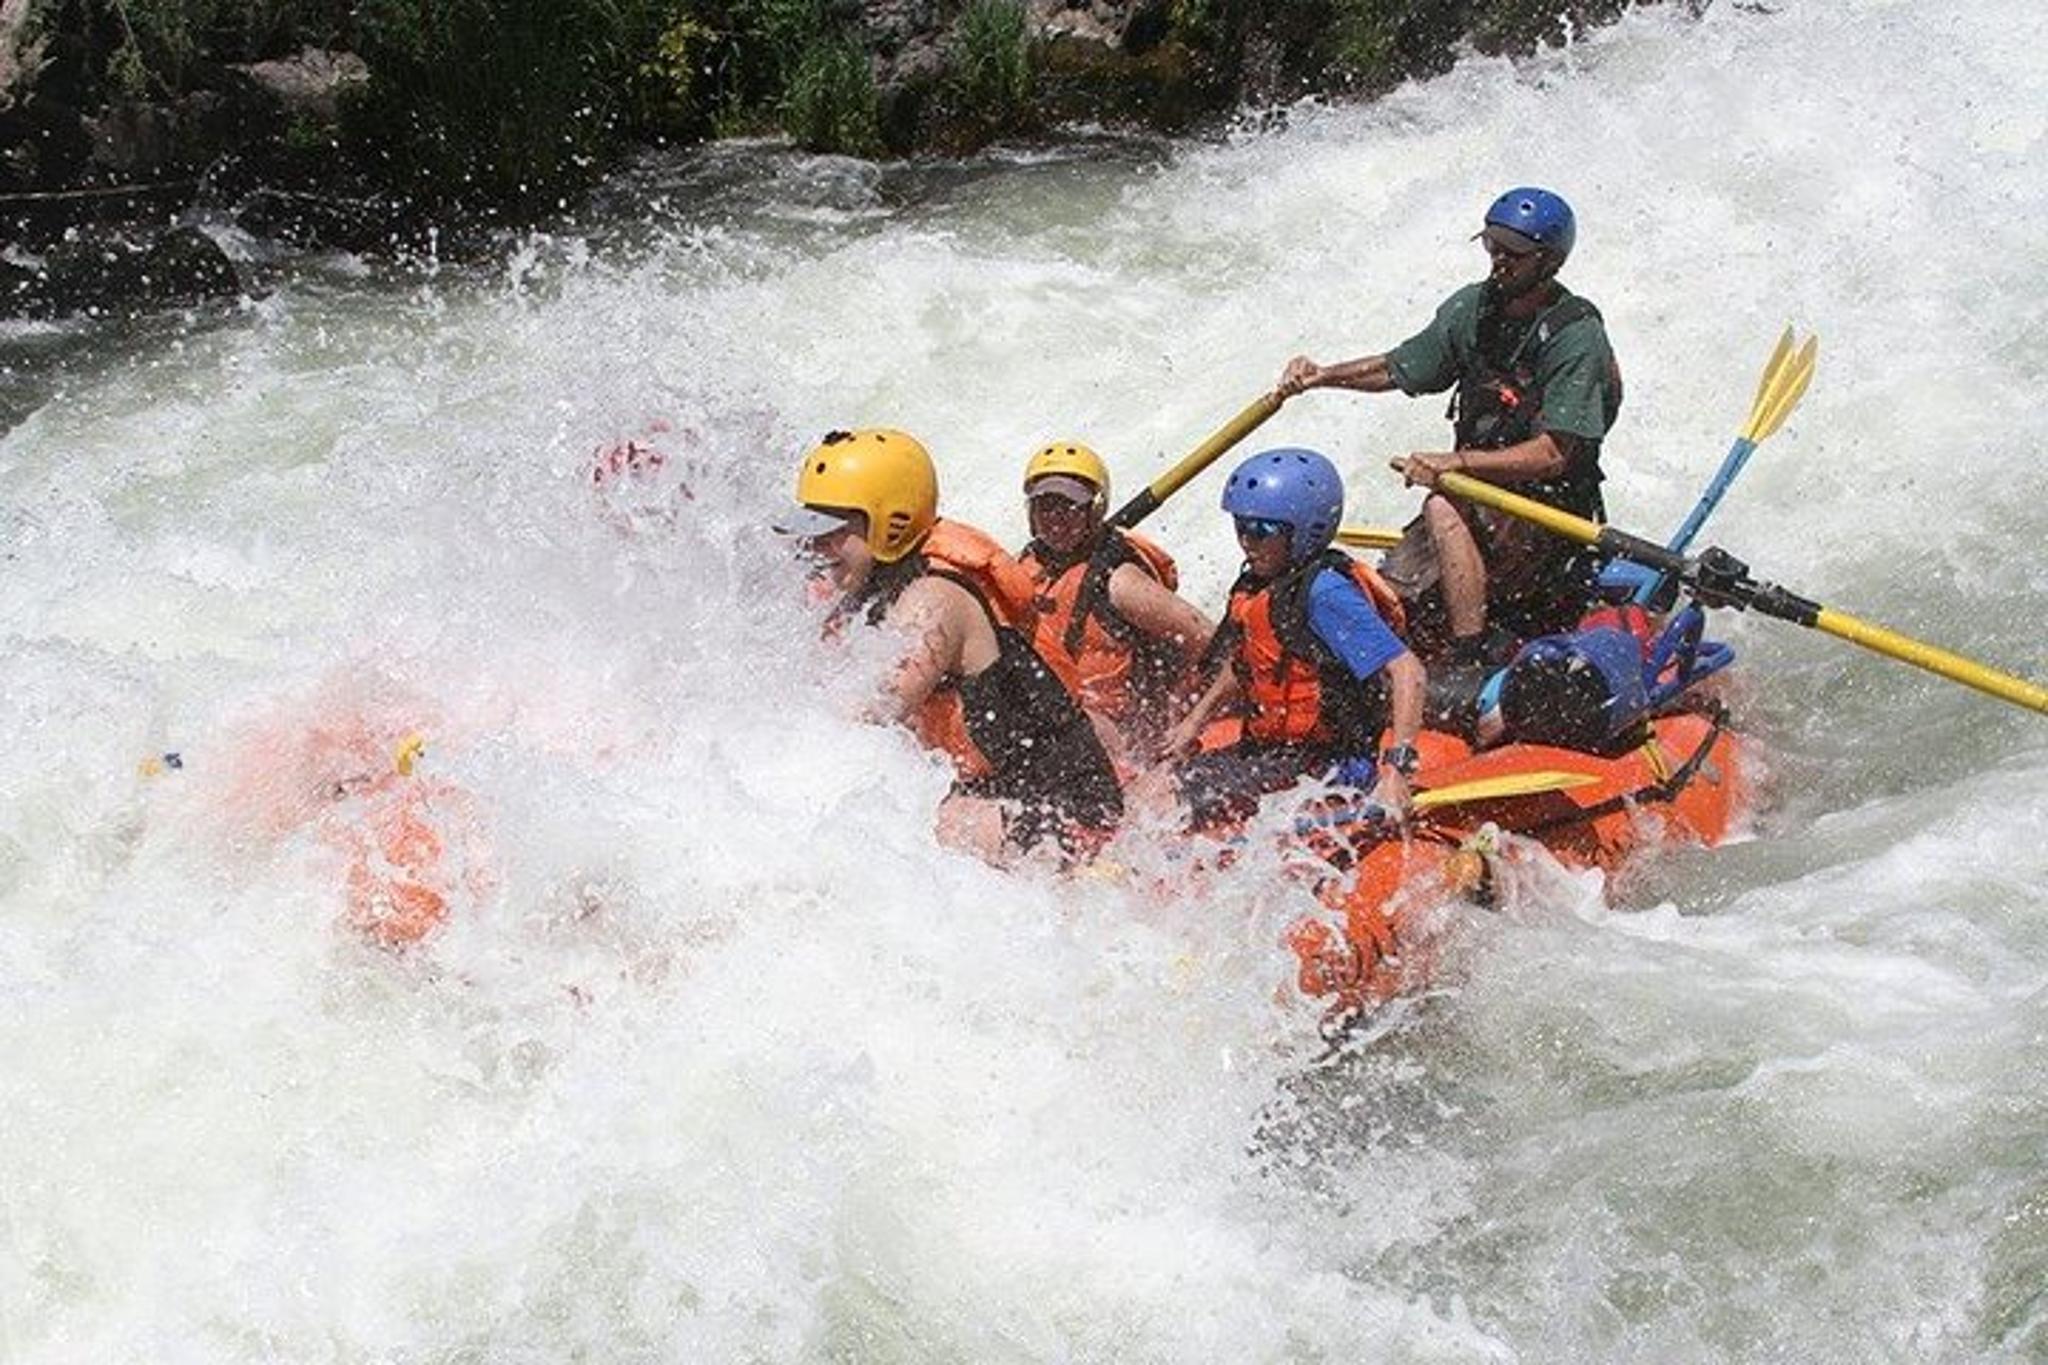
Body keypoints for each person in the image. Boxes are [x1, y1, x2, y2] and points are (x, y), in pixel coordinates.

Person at [1275, 186, 1623, 666]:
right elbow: (1398, 367)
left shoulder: (1575, 336)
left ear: (1549, 262)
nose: (1499, 260)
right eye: (1493, 246)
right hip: (1477, 499)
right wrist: (1324, 376)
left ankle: (1468, 655)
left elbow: (1554, 454)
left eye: (1513, 253)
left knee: (1441, 503)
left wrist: (1456, 463)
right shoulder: (1474, 309)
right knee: (1393, 598)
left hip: (1547, 514)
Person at [778, 427, 1123, 862]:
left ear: (890, 523)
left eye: (832, 529)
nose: (815, 545)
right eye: (811, 528)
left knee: (911, 824)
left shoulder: (934, 601)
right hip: (994, 795)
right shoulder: (866, 592)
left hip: (1072, 812)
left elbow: (869, 716)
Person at [1158, 447, 1426, 830]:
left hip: (1329, 764)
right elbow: (1250, 662)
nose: (1246, 541)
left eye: (1261, 530)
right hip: (1278, 754)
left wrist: (1397, 772)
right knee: (1160, 780)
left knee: (1164, 796)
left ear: (1304, 531)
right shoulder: (1263, 585)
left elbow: (1407, 670)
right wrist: (1193, 723)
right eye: (1240, 526)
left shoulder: (1325, 594)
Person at [1014, 441, 1214, 763]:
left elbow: (1214, 641)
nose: (1056, 520)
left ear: (1095, 510)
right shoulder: (1026, 565)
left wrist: (1187, 714)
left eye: (1069, 506)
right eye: (1045, 506)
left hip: (1118, 735)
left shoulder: (1122, 583)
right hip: (1062, 718)